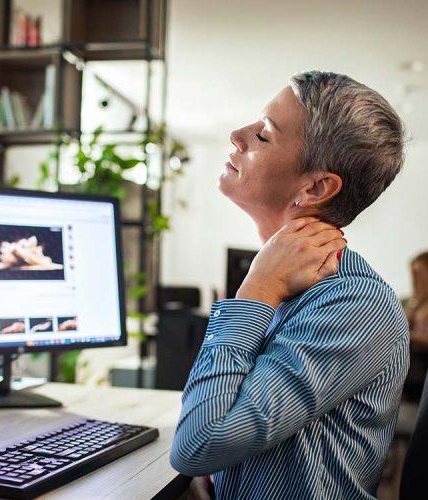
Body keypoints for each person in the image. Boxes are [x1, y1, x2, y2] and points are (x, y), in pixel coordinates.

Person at [170, 71, 409, 499]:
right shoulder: (284, 285)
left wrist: (255, 293)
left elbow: (199, 444)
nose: (237, 136)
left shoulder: (353, 303)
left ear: (316, 187)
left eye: (263, 135)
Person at [402, 252, 428, 400]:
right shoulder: (415, 302)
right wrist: (416, 297)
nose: (416, 279)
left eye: (420, 273)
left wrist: (410, 336)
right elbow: (402, 326)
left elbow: (401, 332)